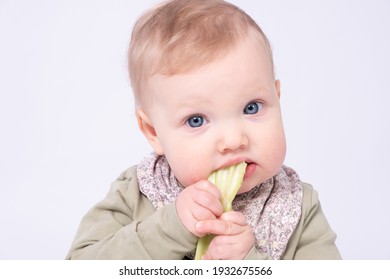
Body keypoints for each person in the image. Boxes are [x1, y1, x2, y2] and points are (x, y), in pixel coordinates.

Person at [66, 0, 341, 260]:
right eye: (196, 120)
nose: (233, 140)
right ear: (153, 132)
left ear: (277, 98)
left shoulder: (297, 206)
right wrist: (171, 227)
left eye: (252, 108)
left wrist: (250, 264)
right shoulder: (138, 192)